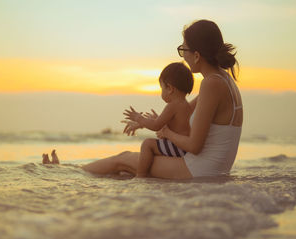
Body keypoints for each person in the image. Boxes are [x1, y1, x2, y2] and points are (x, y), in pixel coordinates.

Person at [44, 19, 243, 179]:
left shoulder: (211, 84)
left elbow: (194, 145)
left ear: (197, 55)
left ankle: (66, 173)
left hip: (199, 170)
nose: (183, 57)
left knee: (124, 160)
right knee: (124, 170)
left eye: (184, 51)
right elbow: (187, 112)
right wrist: (149, 122)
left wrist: (166, 132)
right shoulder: (224, 80)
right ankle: (73, 170)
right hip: (211, 169)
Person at [123, 62, 193, 177]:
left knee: (147, 144)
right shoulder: (185, 105)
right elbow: (170, 124)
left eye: (162, 88)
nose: (161, 92)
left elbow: (156, 125)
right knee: (155, 145)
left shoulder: (173, 105)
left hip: (178, 149)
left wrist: (138, 118)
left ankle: (140, 175)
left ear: (170, 88)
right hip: (183, 149)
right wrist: (145, 122)